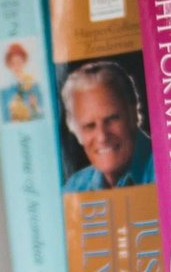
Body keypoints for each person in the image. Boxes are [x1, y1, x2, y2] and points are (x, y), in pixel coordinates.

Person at [61, 61, 154, 191]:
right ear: (76, 132)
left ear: (133, 114)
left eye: (111, 119)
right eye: (89, 126)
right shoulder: (74, 188)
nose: (102, 137)